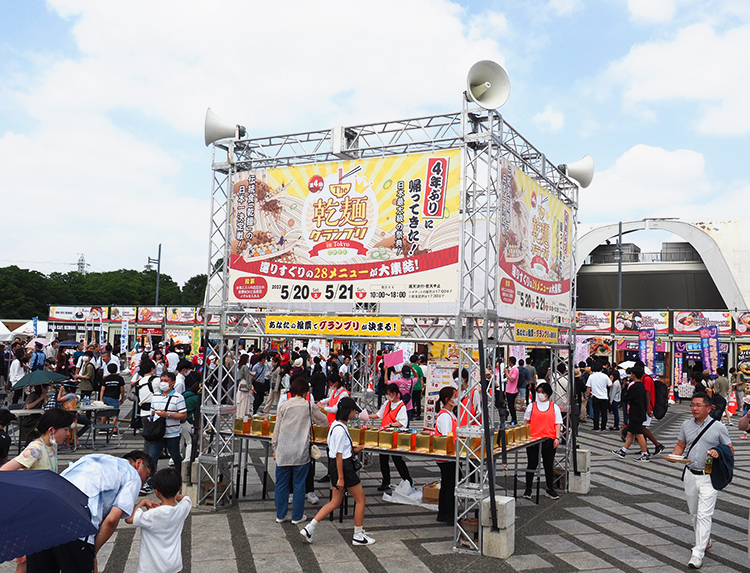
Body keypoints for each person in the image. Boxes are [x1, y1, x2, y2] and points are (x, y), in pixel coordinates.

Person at [23, 451, 155, 572]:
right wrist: (92, 552)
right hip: (75, 526)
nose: (143, 484)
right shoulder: (133, 475)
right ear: (138, 463)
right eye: (146, 476)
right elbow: (111, 520)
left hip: (41, 519)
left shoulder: (92, 457)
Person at [668, 393, 733, 569]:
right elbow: (681, 445)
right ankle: (706, 539)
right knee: (694, 513)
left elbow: (730, 449)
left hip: (709, 476)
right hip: (690, 473)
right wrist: (675, 455)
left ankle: (698, 553)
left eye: (698, 405)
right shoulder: (686, 424)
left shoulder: (718, 427)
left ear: (709, 408)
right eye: (692, 405)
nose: (694, 408)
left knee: (705, 514)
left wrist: (717, 452)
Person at [300, 397, 375, 546]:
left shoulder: (335, 425)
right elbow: (340, 455)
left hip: (335, 466)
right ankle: (358, 534)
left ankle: (310, 527)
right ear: (350, 411)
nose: (355, 414)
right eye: (354, 411)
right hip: (344, 468)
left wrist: (354, 450)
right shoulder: (341, 430)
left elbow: (338, 451)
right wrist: (341, 478)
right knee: (360, 499)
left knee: (335, 501)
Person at [272, 378, 328, 524]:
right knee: (299, 485)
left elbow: (276, 430)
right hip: (300, 451)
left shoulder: (284, 405)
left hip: (283, 450)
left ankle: (280, 515)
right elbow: (324, 421)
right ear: (305, 392)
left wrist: (274, 448)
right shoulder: (309, 406)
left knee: (281, 484)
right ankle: (297, 516)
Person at [125, 467, 191, 573]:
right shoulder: (182, 508)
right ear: (179, 487)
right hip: (175, 565)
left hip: (152, 568)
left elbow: (129, 519)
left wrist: (143, 502)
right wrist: (174, 493)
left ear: (157, 492)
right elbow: (186, 499)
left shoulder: (152, 515)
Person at [367, 383, 413, 491]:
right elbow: (379, 414)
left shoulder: (401, 406)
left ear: (395, 394)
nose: (387, 396)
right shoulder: (387, 403)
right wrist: (366, 416)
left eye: (389, 394)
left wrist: (390, 425)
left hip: (394, 436)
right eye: (386, 394)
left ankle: (408, 481)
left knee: (397, 460)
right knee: (383, 460)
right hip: (384, 435)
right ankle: (385, 481)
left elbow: (402, 422)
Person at [1, 409, 75, 472]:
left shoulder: (52, 445)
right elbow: (4, 470)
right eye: (66, 430)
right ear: (51, 430)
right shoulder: (35, 449)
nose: (68, 434)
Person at [522, 382, 562, 500]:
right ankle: (528, 488)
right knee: (532, 464)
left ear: (548, 394)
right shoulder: (531, 406)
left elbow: (558, 423)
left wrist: (557, 438)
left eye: (542, 393)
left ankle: (550, 488)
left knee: (548, 465)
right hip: (533, 440)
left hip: (549, 439)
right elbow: (526, 422)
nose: (540, 395)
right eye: (538, 392)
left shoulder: (554, 407)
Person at [147, 372, 187, 473]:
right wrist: (152, 418)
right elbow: (152, 411)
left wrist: (168, 415)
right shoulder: (155, 396)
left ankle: (179, 476)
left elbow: (183, 415)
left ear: (172, 383)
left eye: (166, 381)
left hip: (172, 433)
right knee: (152, 457)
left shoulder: (178, 397)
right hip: (157, 433)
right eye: (162, 380)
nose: (163, 383)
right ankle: (151, 481)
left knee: (175, 456)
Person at [612, 366, 651, 462]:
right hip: (639, 412)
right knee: (630, 432)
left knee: (639, 433)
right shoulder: (642, 386)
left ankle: (645, 453)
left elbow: (626, 398)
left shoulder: (634, 386)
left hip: (635, 413)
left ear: (633, 374)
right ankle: (623, 451)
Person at [433, 386, 457, 525]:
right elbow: (447, 436)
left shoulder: (449, 414)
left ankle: (443, 513)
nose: (456, 398)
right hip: (446, 456)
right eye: (454, 396)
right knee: (449, 485)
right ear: (448, 399)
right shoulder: (444, 416)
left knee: (447, 484)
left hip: (449, 455)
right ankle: (448, 514)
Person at [585, 362, 611, 431]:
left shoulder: (591, 376)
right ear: (601, 369)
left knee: (596, 412)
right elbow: (610, 385)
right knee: (604, 413)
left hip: (595, 396)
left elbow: (588, 387)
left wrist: (588, 395)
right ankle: (603, 427)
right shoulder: (605, 376)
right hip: (604, 397)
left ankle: (596, 426)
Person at [236, 353, 252, 418]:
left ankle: (240, 414)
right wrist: (250, 386)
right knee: (245, 401)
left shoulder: (240, 366)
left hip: (241, 382)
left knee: (241, 400)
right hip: (245, 383)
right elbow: (247, 377)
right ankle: (243, 414)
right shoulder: (245, 367)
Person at [505, 357, 519, 424]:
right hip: (509, 390)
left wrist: (506, 373)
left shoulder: (515, 369)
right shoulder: (512, 369)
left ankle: (514, 419)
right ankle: (513, 418)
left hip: (512, 391)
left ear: (510, 362)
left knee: (511, 406)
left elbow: (512, 379)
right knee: (510, 406)